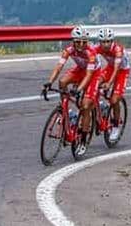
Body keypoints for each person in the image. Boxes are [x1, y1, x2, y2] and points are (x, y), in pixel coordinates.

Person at [43, 25, 101, 155]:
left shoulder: (91, 52)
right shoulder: (68, 50)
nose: (81, 44)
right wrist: (49, 82)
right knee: (62, 82)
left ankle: (83, 141)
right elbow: (59, 67)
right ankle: (65, 110)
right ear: (73, 41)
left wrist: (79, 89)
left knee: (85, 106)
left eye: (84, 41)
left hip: (93, 73)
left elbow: (89, 76)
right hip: (80, 69)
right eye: (78, 41)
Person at [95, 27, 130, 141]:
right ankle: (101, 107)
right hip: (110, 68)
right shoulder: (98, 48)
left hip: (122, 71)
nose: (105, 44)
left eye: (108, 41)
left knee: (114, 100)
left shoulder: (118, 49)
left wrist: (109, 83)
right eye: (103, 42)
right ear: (100, 42)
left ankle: (115, 126)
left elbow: (116, 69)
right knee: (95, 83)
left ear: (112, 41)